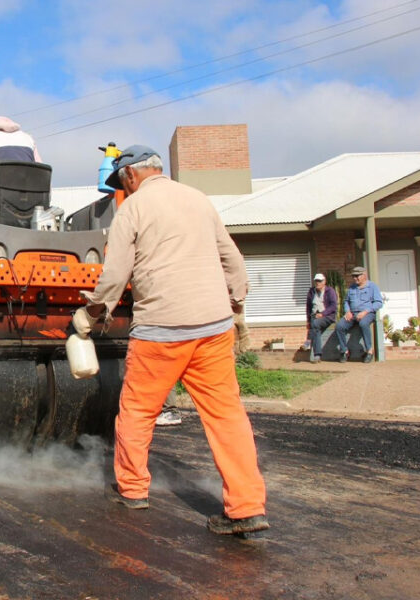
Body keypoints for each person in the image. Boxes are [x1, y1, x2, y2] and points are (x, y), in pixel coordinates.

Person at [72, 144, 267, 535]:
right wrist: (237, 305)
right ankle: (247, 508)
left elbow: (115, 274)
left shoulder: (133, 208)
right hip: (213, 328)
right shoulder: (198, 199)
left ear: (129, 176)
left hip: (161, 332)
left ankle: (132, 490)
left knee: (138, 411)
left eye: (120, 183)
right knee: (226, 415)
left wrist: (92, 313)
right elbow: (232, 259)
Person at [335, 265, 383, 363]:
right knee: (339, 326)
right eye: (353, 276)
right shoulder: (352, 288)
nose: (355, 278)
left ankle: (369, 351)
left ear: (364, 275)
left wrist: (365, 312)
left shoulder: (372, 287)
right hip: (352, 314)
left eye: (357, 276)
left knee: (363, 324)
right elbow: (346, 301)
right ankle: (345, 351)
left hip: (367, 313)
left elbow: (378, 303)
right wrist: (347, 311)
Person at [305, 273, 338, 363]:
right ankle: (317, 355)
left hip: (327, 316)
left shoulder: (330, 291)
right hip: (314, 316)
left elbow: (333, 306)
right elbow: (308, 306)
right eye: (316, 281)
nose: (318, 283)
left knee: (314, 324)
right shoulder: (311, 291)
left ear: (324, 281)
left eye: (320, 281)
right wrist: (308, 320)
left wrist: (323, 314)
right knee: (315, 327)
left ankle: (308, 341)